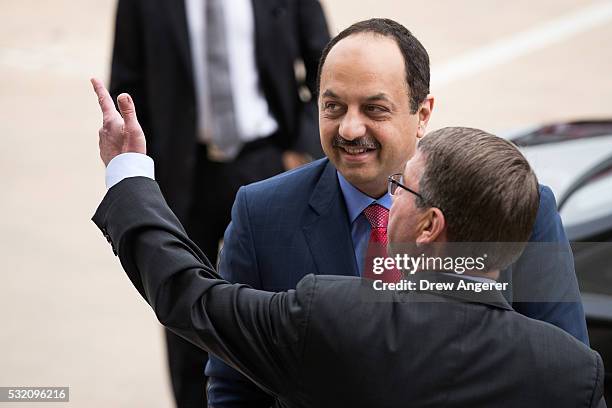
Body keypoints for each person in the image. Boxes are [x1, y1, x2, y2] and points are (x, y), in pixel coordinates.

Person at [89, 79, 606, 406]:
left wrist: (129, 173)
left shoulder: (334, 317)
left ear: (429, 226)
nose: (390, 195)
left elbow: (187, 296)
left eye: (402, 187)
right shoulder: (571, 373)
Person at [202, 18, 590, 407]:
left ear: (422, 114)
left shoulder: (519, 207)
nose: (350, 129)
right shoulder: (262, 214)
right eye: (333, 106)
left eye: (374, 109)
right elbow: (234, 386)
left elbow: (564, 376)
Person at [108, 0, 330, 405]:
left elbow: (325, 63)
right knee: (182, 305)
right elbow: (127, 81)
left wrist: (300, 149)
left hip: (268, 161)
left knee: (277, 299)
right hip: (184, 173)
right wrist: (144, 170)